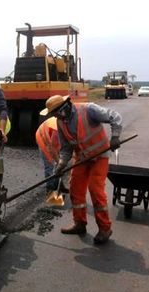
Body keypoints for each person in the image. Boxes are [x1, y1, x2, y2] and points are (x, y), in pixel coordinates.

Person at [40, 95, 122, 244]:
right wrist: (61, 165)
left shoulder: (88, 109)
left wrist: (115, 136)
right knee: (75, 188)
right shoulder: (61, 122)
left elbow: (115, 116)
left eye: (55, 113)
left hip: (99, 156)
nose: (54, 116)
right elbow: (66, 148)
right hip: (82, 158)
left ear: (64, 107)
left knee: (95, 189)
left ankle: (105, 228)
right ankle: (79, 223)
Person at [35, 117, 69, 204]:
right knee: (49, 167)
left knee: (59, 164)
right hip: (44, 139)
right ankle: (51, 195)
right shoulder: (57, 131)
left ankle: (59, 186)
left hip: (53, 140)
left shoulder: (69, 125)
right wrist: (59, 162)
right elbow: (51, 149)